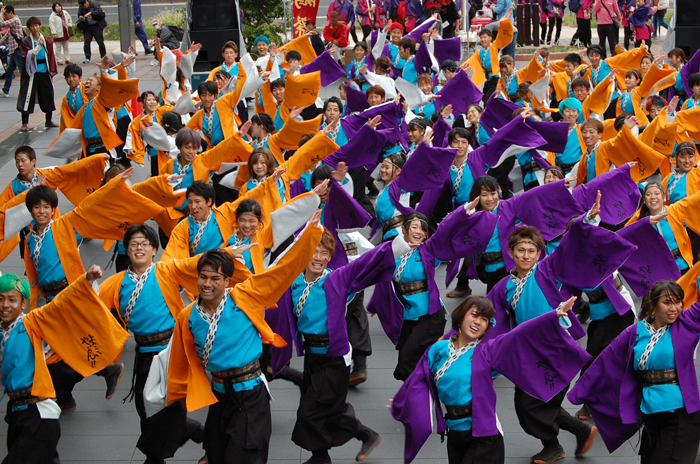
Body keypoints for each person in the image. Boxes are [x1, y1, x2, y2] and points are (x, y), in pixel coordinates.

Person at [167, 214, 323, 464]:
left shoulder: (244, 296)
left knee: (244, 457)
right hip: (218, 396)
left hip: (250, 395)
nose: (207, 284)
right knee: (217, 456)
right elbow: (177, 362)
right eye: (203, 277)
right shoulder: (187, 317)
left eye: (215, 279)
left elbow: (282, 272)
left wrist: (309, 236)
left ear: (227, 281)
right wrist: (172, 402)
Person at [391, 294, 591, 464]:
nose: (478, 322)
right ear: (460, 316)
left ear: (487, 328)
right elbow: (419, 378)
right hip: (454, 432)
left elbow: (520, 334)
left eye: (484, 320)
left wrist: (553, 316)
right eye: (474, 315)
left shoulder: (487, 350)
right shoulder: (437, 350)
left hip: (484, 435)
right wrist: (405, 400)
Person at [0, 269, 129, 464]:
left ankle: (106, 369)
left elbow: (61, 304)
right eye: (0, 299)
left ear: (24, 303)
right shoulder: (2, 334)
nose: (5, 305)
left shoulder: (30, 322)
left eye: (12, 299)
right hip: (18, 413)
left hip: (37, 415)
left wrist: (85, 280)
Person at [569, 281, 700, 464]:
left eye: (678, 302)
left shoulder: (687, 324)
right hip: (649, 411)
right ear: (653, 305)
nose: (675, 308)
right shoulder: (635, 332)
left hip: (680, 412)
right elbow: (606, 362)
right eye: (667, 302)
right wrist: (580, 392)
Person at [18, 16, 57, 132]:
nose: (35, 28)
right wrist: (39, 46)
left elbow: (50, 56)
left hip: (44, 71)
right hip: (32, 72)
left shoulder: (46, 40)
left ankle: (48, 120)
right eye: (32, 26)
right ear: (29, 28)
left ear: (39, 26)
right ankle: (25, 122)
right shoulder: (26, 41)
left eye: (37, 25)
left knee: (47, 94)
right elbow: (28, 56)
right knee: (27, 96)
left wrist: (51, 70)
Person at [0, 5, 24, 97]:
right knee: (10, 71)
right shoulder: (13, 23)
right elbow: (7, 35)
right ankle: (6, 90)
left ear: (11, 13)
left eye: (6, 15)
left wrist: (1, 13)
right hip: (13, 50)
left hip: (17, 50)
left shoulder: (15, 20)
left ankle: (27, 89)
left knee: (23, 71)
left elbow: (1, 24)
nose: (5, 17)